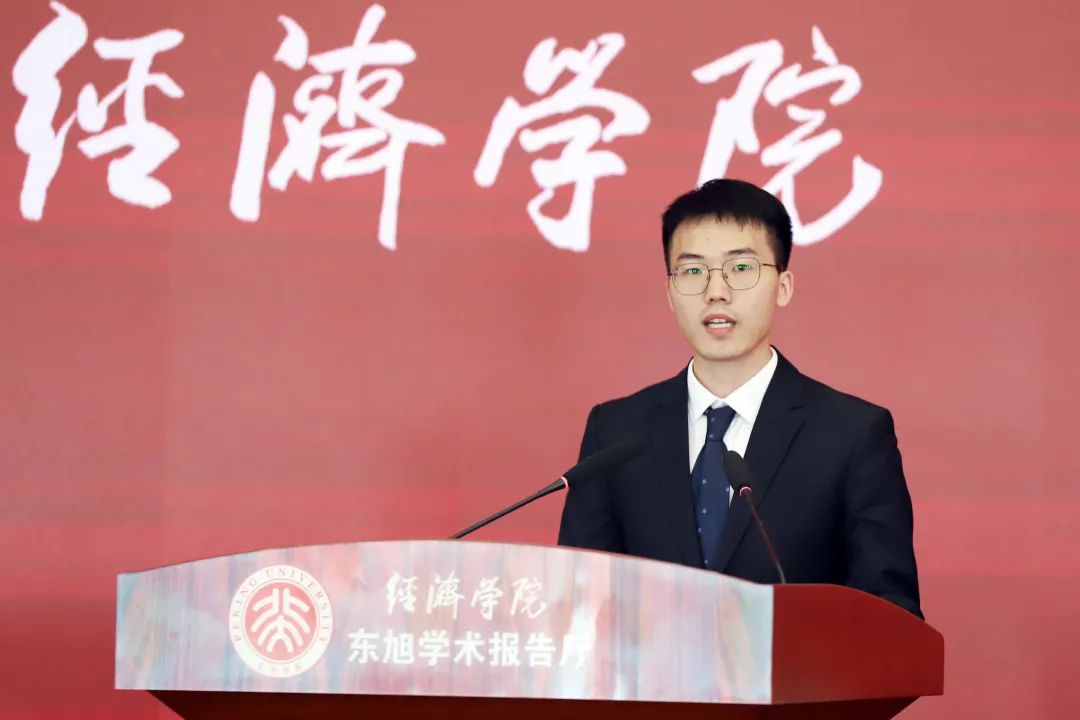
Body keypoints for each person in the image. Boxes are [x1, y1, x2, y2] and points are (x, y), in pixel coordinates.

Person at [557, 178, 922, 617]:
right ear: (670, 292)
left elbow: (891, 614)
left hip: (795, 664)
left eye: (741, 268)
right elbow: (579, 605)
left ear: (783, 286)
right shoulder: (616, 432)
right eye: (693, 271)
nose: (716, 291)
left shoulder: (851, 435)